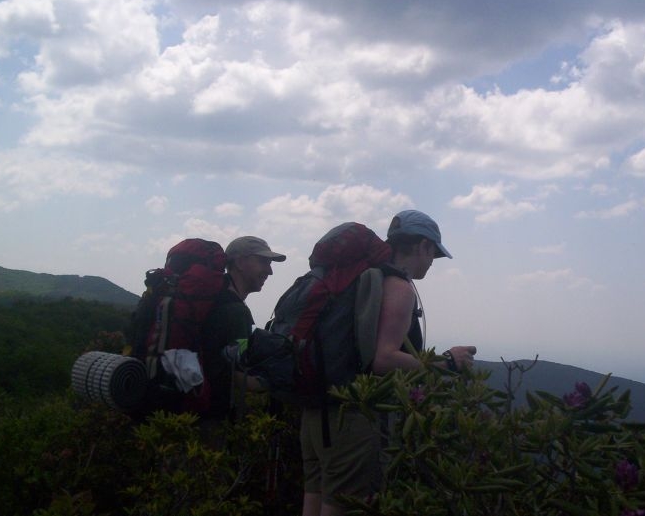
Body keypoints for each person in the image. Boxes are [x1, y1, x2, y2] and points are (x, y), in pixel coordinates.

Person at [300, 210, 477, 516]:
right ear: (422, 246)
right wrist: (447, 363)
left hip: (318, 409)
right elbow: (383, 359)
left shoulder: (359, 280)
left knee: (315, 498)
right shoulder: (398, 287)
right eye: (433, 252)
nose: (433, 261)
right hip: (353, 417)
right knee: (345, 504)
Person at [201, 236, 287, 422]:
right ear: (240, 262)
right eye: (263, 261)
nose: (269, 271)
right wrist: (275, 381)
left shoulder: (216, 298)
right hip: (209, 416)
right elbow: (233, 371)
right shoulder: (235, 311)